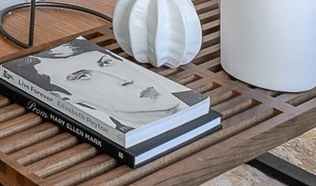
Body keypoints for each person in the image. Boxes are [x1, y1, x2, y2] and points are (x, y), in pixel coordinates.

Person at [25, 40, 195, 131]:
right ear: (66, 98)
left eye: (106, 63)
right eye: (83, 76)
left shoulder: (197, 102)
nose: (124, 79)